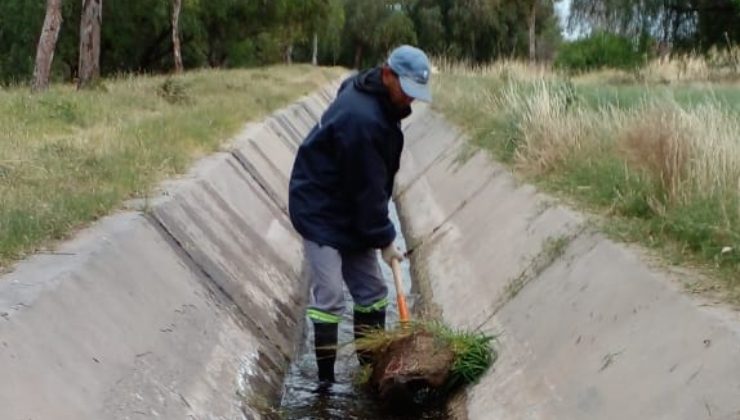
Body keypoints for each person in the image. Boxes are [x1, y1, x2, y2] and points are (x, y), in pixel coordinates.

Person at [288, 45, 432, 383]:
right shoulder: (363, 121)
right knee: (331, 297)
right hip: (319, 208)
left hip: (350, 202)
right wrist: (384, 238)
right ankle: (325, 385)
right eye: (407, 90)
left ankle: (370, 374)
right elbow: (367, 190)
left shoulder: (366, 87)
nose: (410, 100)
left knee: (371, 293)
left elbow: (366, 188)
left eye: (416, 93)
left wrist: (379, 231)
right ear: (387, 74)